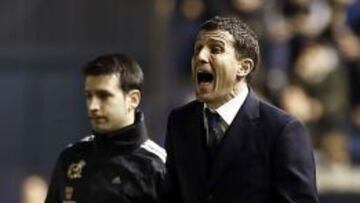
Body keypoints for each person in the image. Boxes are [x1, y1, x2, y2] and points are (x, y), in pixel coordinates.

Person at [161, 16, 319, 203]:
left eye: (216, 49)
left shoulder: (282, 130)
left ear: (243, 67)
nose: (201, 57)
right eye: (197, 49)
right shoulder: (180, 121)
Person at [45, 53, 166, 203]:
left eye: (104, 96)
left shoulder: (158, 167)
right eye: (88, 96)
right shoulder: (71, 158)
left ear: (133, 100)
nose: (93, 106)